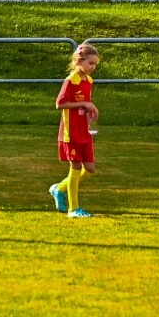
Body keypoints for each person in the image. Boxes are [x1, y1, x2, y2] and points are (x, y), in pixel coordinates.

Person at [50, 42, 100, 219]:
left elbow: (84, 105)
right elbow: (60, 104)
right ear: (79, 61)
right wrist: (83, 103)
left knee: (90, 169)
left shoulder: (89, 81)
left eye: (95, 64)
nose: (93, 67)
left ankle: (59, 189)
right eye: (90, 63)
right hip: (70, 132)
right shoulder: (70, 80)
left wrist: (90, 109)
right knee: (76, 166)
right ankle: (74, 208)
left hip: (84, 130)